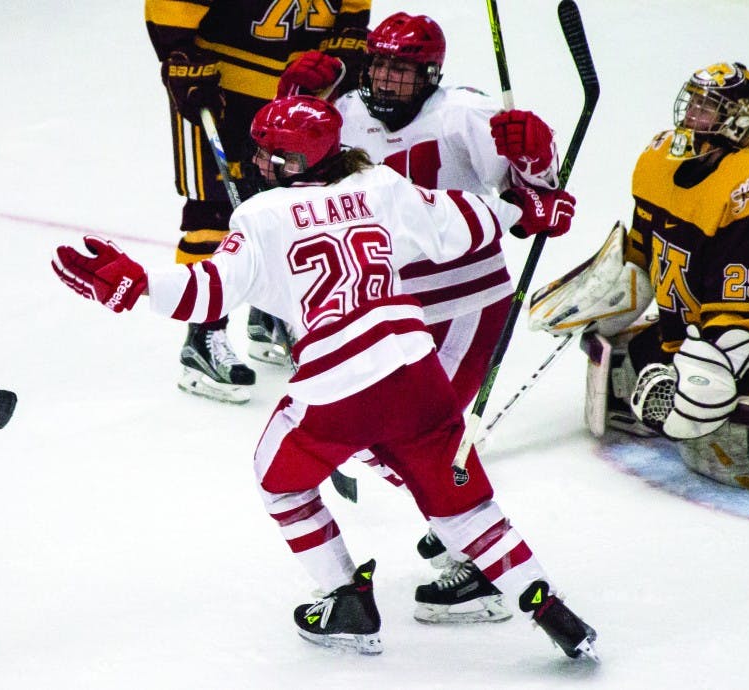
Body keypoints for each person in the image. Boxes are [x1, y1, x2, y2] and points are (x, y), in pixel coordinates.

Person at [51, 95, 598, 661]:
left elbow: (209, 290)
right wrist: (527, 206)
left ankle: (345, 599)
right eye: (262, 153)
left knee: (278, 479)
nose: (264, 166)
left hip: (338, 385)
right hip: (416, 370)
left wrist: (137, 285)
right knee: (466, 509)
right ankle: (551, 611)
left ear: (308, 159)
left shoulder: (260, 216)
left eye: (278, 158)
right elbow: (464, 223)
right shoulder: (382, 186)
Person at [276, 12, 570, 623]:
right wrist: (295, 104)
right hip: (387, 311)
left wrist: (536, 155)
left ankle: (478, 560)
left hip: (467, 303)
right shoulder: (347, 114)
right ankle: (462, 529)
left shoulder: (467, 114)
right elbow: (293, 174)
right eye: (378, 63)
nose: (385, 78)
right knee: (384, 440)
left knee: (425, 436)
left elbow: (543, 206)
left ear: (430, 74)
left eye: (402, 69)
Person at [529, 62, 749, 511]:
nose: (693, 115)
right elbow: (642, 254)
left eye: (709, 108)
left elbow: (745, 314)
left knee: (711, 417)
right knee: (645, 379)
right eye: (694, 102)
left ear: (738, 120)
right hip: (695, 326)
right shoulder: (659, 158)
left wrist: (710, 375)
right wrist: (604, 294)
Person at [144, 0, 371, 403]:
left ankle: (273, 315)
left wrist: (345, 44)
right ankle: (204, 337)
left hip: (299, 91)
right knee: (213, 213)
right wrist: (181, 52)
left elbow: (352, 8)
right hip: (218, 87)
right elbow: (171, 8)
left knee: (293, 204)